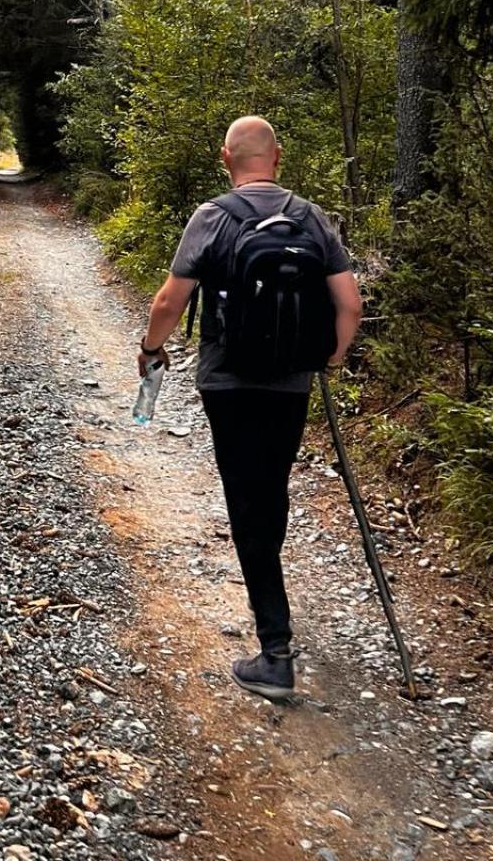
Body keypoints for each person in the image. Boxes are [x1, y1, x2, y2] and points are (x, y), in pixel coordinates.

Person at [138, 116, 361, 701]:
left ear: (225, 157)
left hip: (227, 381)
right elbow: (351, 305)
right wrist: (329, 359)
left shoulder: (212, 216)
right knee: (272, 489)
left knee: (246, 499)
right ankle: (272, 599)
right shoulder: (312, 218)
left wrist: (151, 348)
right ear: (277, 157)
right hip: (290, 382)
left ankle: (276, 650)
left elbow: (170, 299)